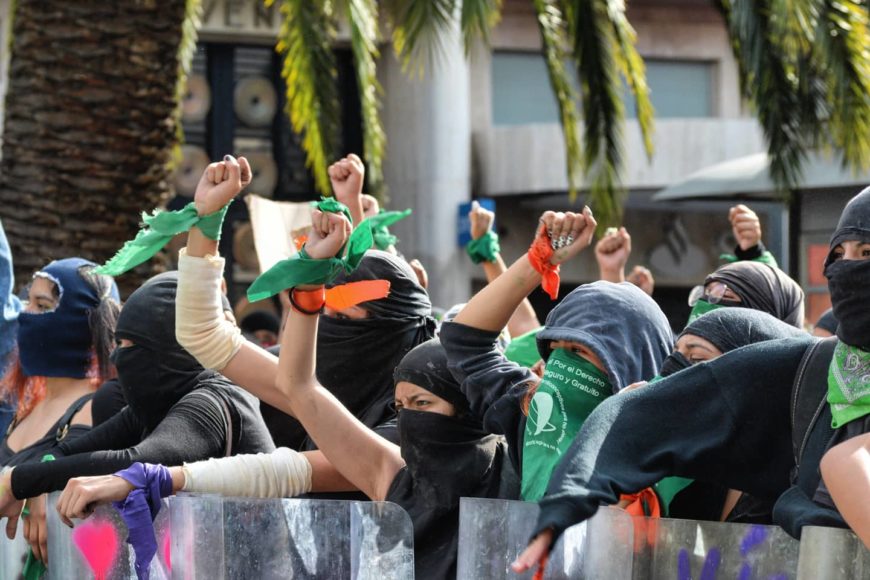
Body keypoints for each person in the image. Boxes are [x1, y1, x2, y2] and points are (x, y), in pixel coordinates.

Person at [512, 185, 870, 575]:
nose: (847, 269)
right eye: (838, 255)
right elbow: (636, 416)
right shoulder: (809, 369)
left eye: (865, 254)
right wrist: (567, 502)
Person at [0, 271, 275, 551]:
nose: (117, 358)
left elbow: (137, 461)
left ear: (170, 347)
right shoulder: (154, 405)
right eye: (117, 344)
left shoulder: (213, 401)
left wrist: (17, 482)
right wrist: (39, 479)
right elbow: (70, 452)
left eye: (129, 346)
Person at [440, 207, 674, 503]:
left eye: (578, 350)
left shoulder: (678, 453)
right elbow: (464, 341)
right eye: (555, 351)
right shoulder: (533, 415)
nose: (561, 366)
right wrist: (537, 261)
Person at [0, 258, 118, 565]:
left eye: (42, 305)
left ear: (80, 321)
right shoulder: (28, 405)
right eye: (29, 302)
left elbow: (98, 472)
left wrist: (44, 481)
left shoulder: (96, 407)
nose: (26, 314)